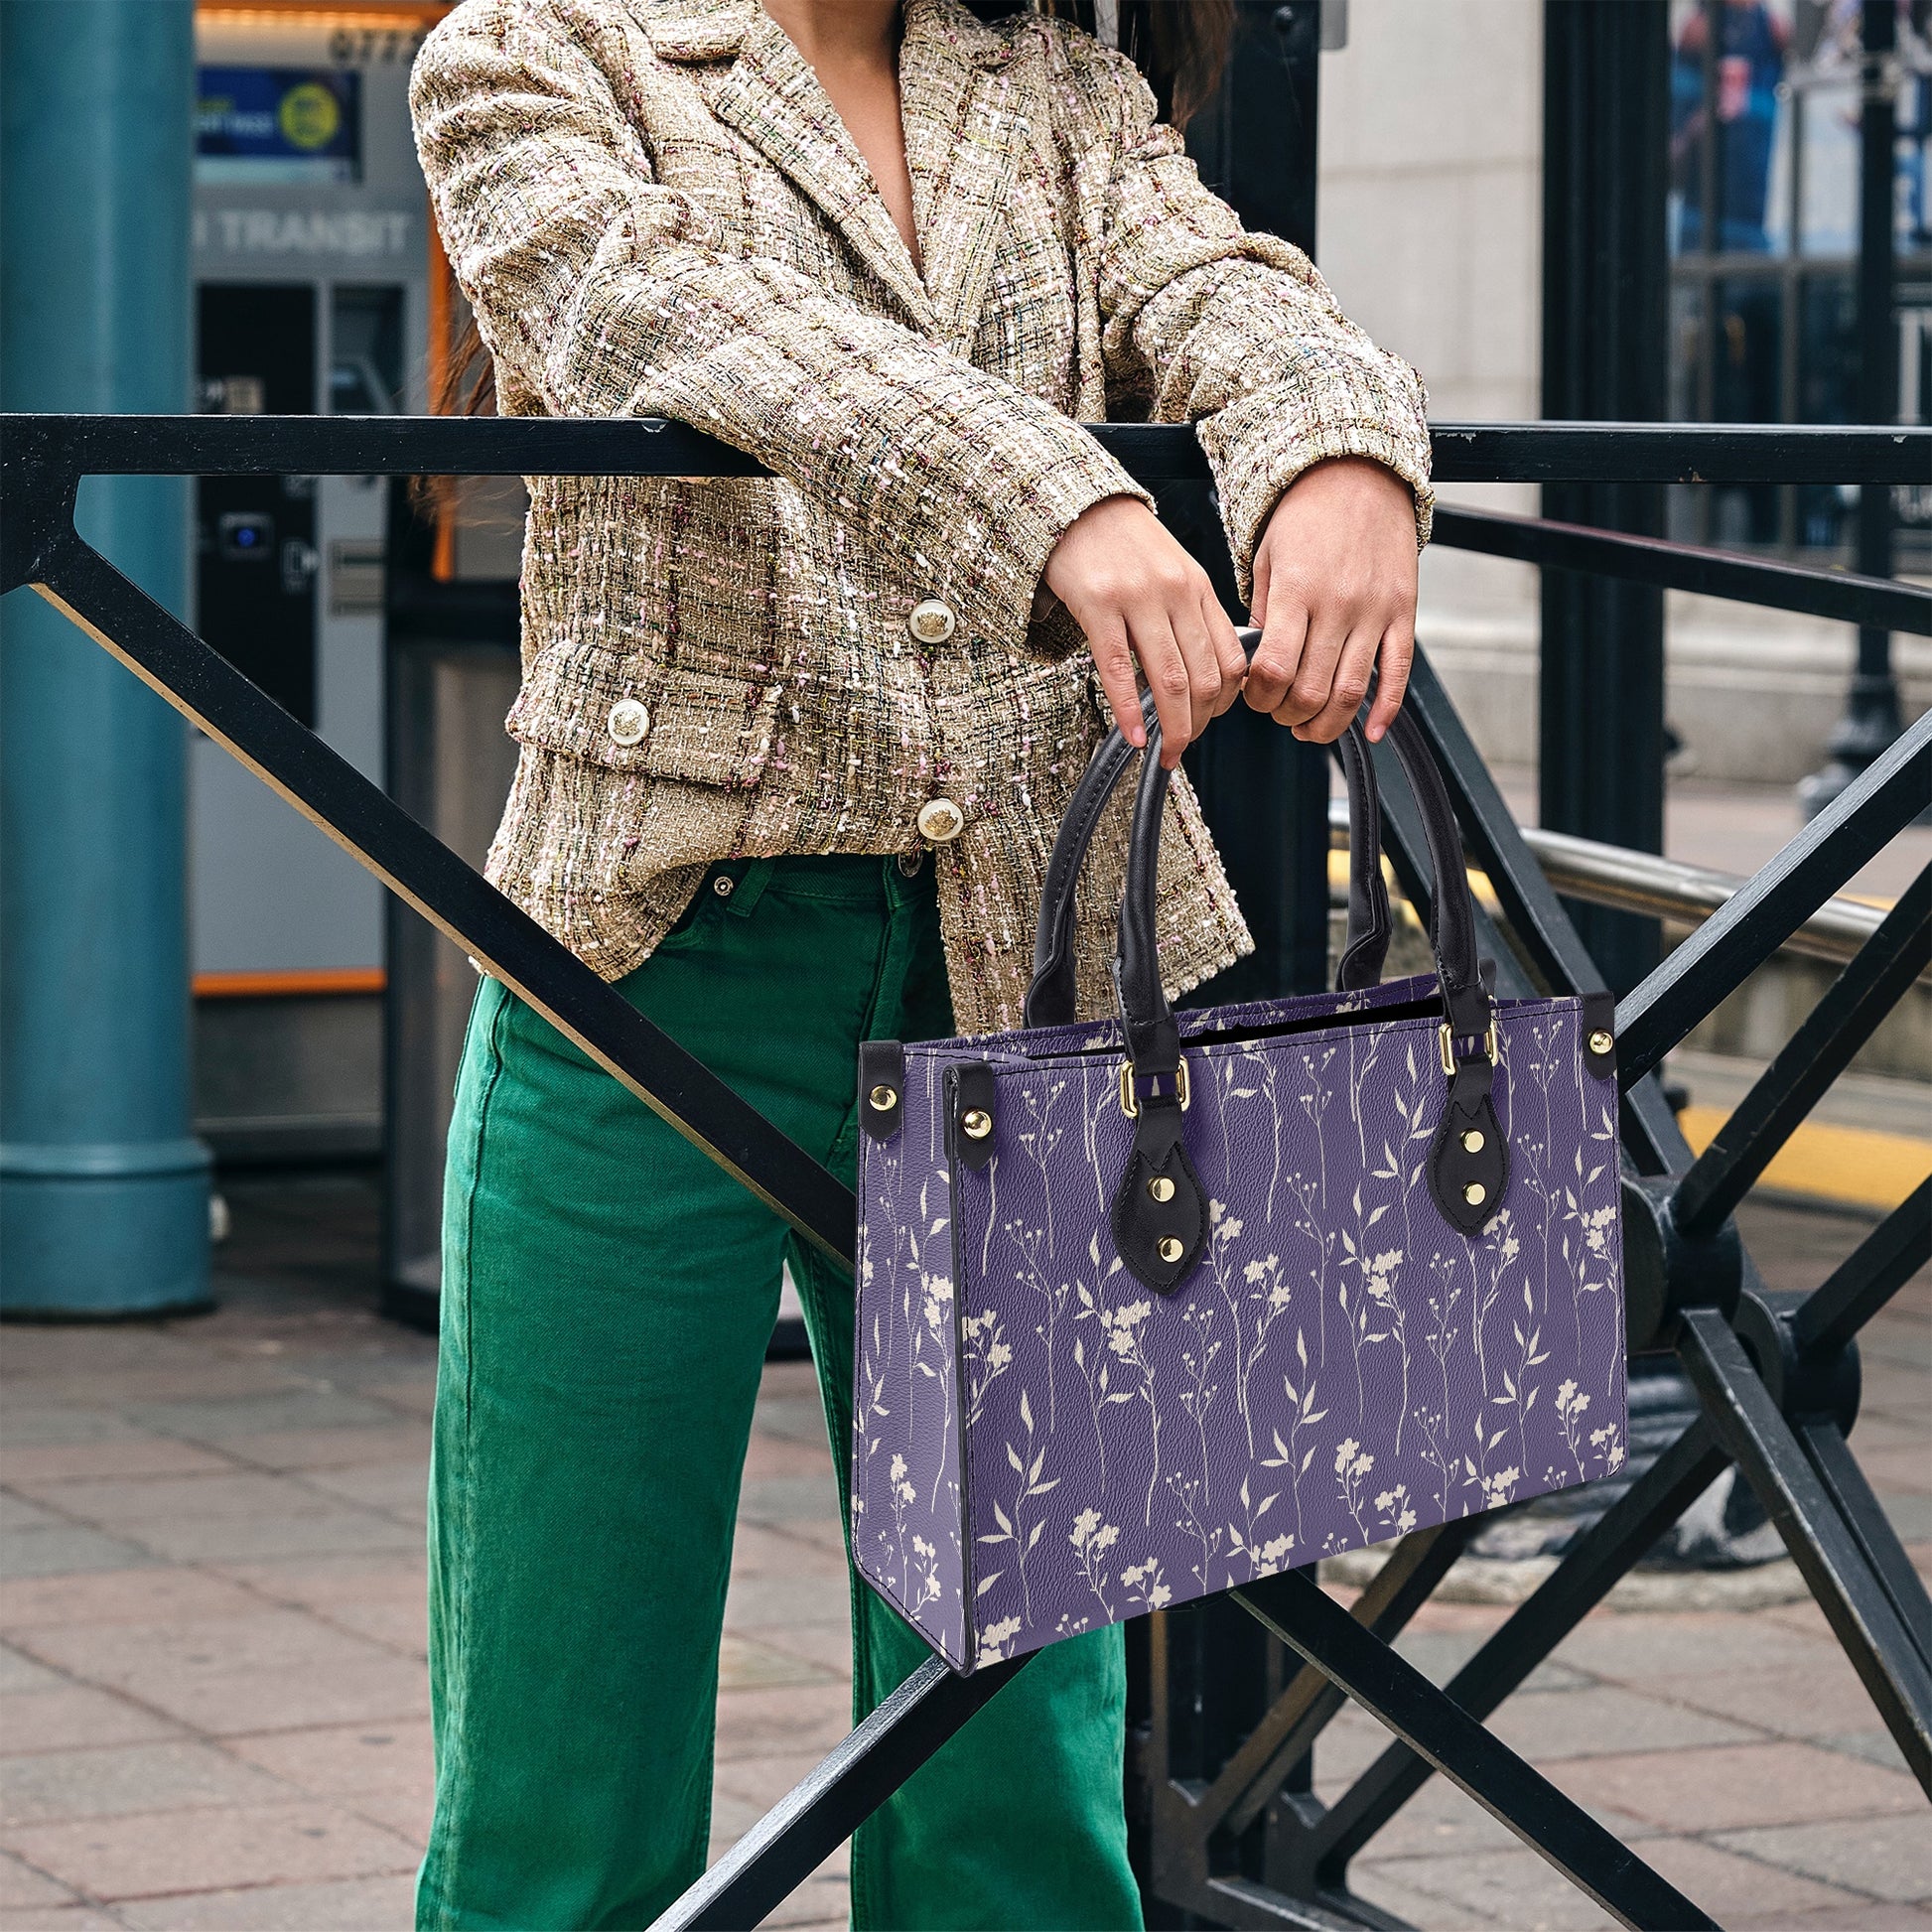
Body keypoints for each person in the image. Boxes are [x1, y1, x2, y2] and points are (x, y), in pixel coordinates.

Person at [407, 0, 1430, 1923]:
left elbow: (1218, 287)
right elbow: (678, 319)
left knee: (1019, 1797)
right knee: (563, 1783)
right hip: (649, 977)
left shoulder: (1047, 82)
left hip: (1017, 971)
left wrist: (1337, 452)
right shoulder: (532, 52)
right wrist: (1067, 498)